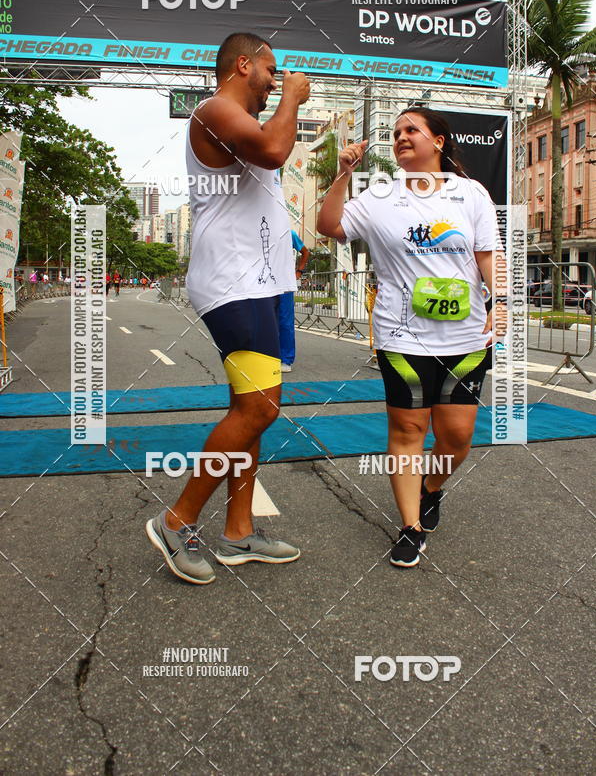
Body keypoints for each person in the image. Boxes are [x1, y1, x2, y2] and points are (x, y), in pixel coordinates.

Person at [146, 32, 310, 584]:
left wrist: (288, 257)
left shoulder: (244, 124)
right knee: (260, 408)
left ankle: (239, 533)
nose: (274, 83)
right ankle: (177, 520)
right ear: (244, 64)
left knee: (251, 410)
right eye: (271, 71)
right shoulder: (215, 109)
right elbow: (273, 150)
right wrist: (293, 96)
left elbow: (256, 195)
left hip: (259, 282)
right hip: (231, 284)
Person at [318, 108, 506, 569]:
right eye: (396, 132)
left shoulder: (470, 193)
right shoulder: (380, 195)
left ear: (438, 141)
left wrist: (501, 301)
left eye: (412, 131)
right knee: (407, 431)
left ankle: (431, 489)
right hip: (402, 336)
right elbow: (330, 227)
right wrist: (344, 175)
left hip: (464, 337)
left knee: (457, 436)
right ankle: (409, 526)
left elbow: (488, 253)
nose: (401, 138)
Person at [279, 229, 309, 372]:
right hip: (264, 284)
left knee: (285, 321)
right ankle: (267, 357)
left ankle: (286, 360)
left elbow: (305, 252)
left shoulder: (289, 233)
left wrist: (299, 271)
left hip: (285, 284)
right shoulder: (259, 228)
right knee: (264, 320)